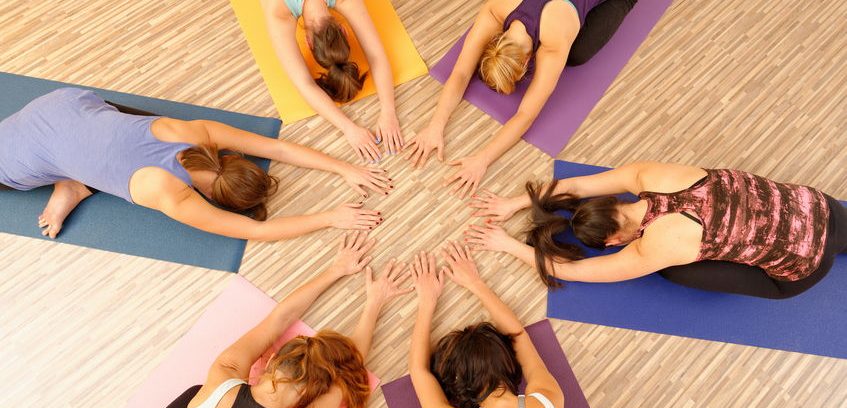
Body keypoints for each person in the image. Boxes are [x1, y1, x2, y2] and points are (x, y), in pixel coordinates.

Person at [0, 88, 393, 239]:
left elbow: (279, 150)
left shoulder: (197, 133)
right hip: (17, 154)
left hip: (66, 101)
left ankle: (73, 181)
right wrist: (329, 217)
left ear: (234, 160)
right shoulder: (171, 195)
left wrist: (346, 167)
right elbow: (254, 231)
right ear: (213, 197)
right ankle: (73, 181)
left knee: (120, 132)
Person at [465, 161, 847, 299]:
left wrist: (505, 245)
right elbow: (579, 187)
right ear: (613, 202)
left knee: (675, 271)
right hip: (819, 204)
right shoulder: (648, 175)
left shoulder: (655, 249)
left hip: (804, 268)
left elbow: (570, 271)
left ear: (612, 241)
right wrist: (514, 203)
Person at [149, 231, 412, 408]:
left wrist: (336, 269)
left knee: (194, 393)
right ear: (309, 395)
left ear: (271, 360)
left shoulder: (222, 374)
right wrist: (375, 301)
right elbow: (349, 367)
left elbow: (279, 318)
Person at [406, 0, 637, 198]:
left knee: (577, 54)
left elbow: (525, 115)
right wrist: (435, 125)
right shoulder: (497, 7)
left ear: (528, 62)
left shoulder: (553, 41)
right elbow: (461, 73)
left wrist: (482, 160)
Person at [408, 242, 569, 408]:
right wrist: (475, 283)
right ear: (509, 362)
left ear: (458, 383)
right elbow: (518, 336)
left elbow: (419, 371)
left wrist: (426, 302)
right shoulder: (547, 401)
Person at [262, 0, 403, 162]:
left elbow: (304, 84)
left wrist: (384, 114)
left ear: (308, 44)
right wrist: (386, 112)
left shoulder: (278, 12)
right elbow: (376, 56)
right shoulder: (278, 10)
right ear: (344, 30)